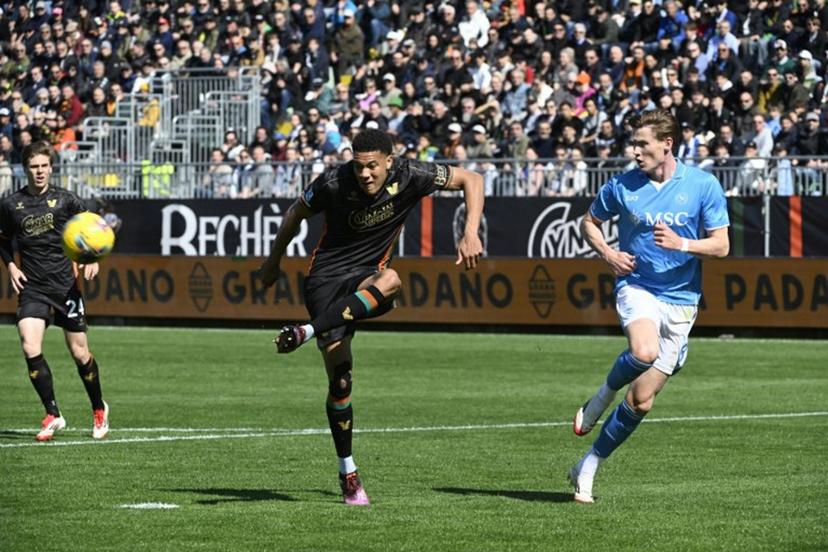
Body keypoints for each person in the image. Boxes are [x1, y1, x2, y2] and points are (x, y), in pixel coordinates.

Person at [258, 129, 484, 505]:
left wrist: (470, 231)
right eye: (359, 166)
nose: (364, 174)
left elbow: (471, 179)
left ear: (389, 162)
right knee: (341, 382)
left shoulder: (411, 175)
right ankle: (348, 470)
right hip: (325, 282)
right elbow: (296, 213)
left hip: (368, 276)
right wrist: (273, 260)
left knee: (392, 279)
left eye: (372, 167)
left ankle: (307, 331)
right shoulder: (333, 182)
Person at [570, 110, 730, 503]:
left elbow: (722, 246)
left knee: (642, 399)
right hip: (637, 285)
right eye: (634, 144)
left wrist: (684, 244)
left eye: (643, 144)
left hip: (681, 300)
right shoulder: (623, 185)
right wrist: (608, 253)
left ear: (667, 145)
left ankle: (587, 464)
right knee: (643, 351)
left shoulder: (702, 185)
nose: (635, 151)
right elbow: (588, 222)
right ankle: (601, 397)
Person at [0, 141, 110, 442]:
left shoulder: (67, 201)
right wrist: (11, 266)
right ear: (26, 169)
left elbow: (94, 230)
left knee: (79, 352)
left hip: (65, 286)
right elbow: (3, 239)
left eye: (44, 166)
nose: (39, 172)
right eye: (34, 167)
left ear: (51, 168)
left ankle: (98, 408)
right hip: (32, 286)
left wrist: (93, 261)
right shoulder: (11, 205)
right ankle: (53, 413)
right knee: (29, 346)